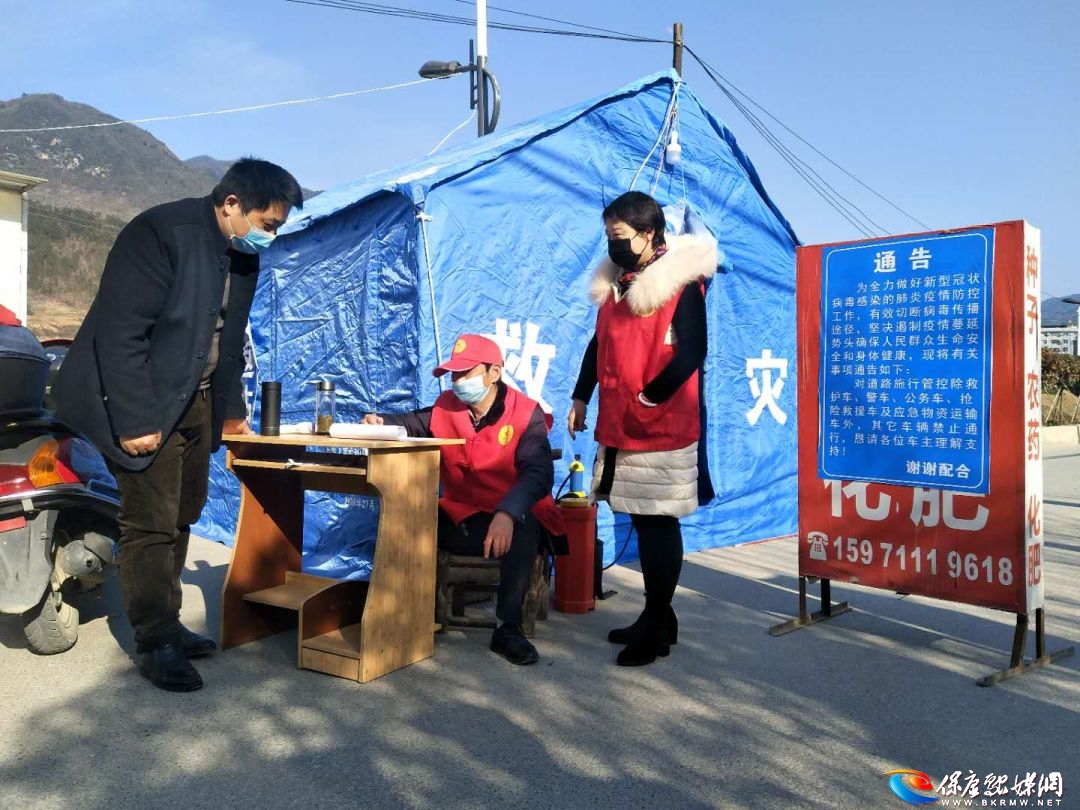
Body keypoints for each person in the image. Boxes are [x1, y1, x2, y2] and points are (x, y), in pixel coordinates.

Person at [52, 159, 303, 691]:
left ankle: (168, 620)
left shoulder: (242, 257)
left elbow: (230, 342)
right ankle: (155, 641)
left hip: (197, 400)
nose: (271, 236)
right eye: (267, 223)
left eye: (278, 227)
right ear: (232, 203)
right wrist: (135, 420)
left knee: (185, 512)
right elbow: (120, 334)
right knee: (150, 523)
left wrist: (230, 410)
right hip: (141, 399)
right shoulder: (160, 233)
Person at [568, 190, 717, 667]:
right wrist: (581, 395)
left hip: (661, 425)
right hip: (621, 421)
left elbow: (693, 350)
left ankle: (655, 623)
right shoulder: (616, 287)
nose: (612, 245)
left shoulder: (679, 284)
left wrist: (651, 396)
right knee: (638, 515)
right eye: (609, 236)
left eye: (619, 236)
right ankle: (659, 617)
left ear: (649, 233)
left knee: (657, 523)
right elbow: (598, 345)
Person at [364, 334, 565, 666]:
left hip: (510, 517)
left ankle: (507, 628)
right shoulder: (446, 407)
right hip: (464, 517)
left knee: (525, 527)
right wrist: (381, 422)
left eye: (465, 373)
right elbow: (410, 423)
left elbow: (539, 474)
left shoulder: (526, 413)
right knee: (407, 518)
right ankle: (399, 618)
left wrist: (507, 512)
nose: (457, 381)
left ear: (494, 372)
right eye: (453, 374)